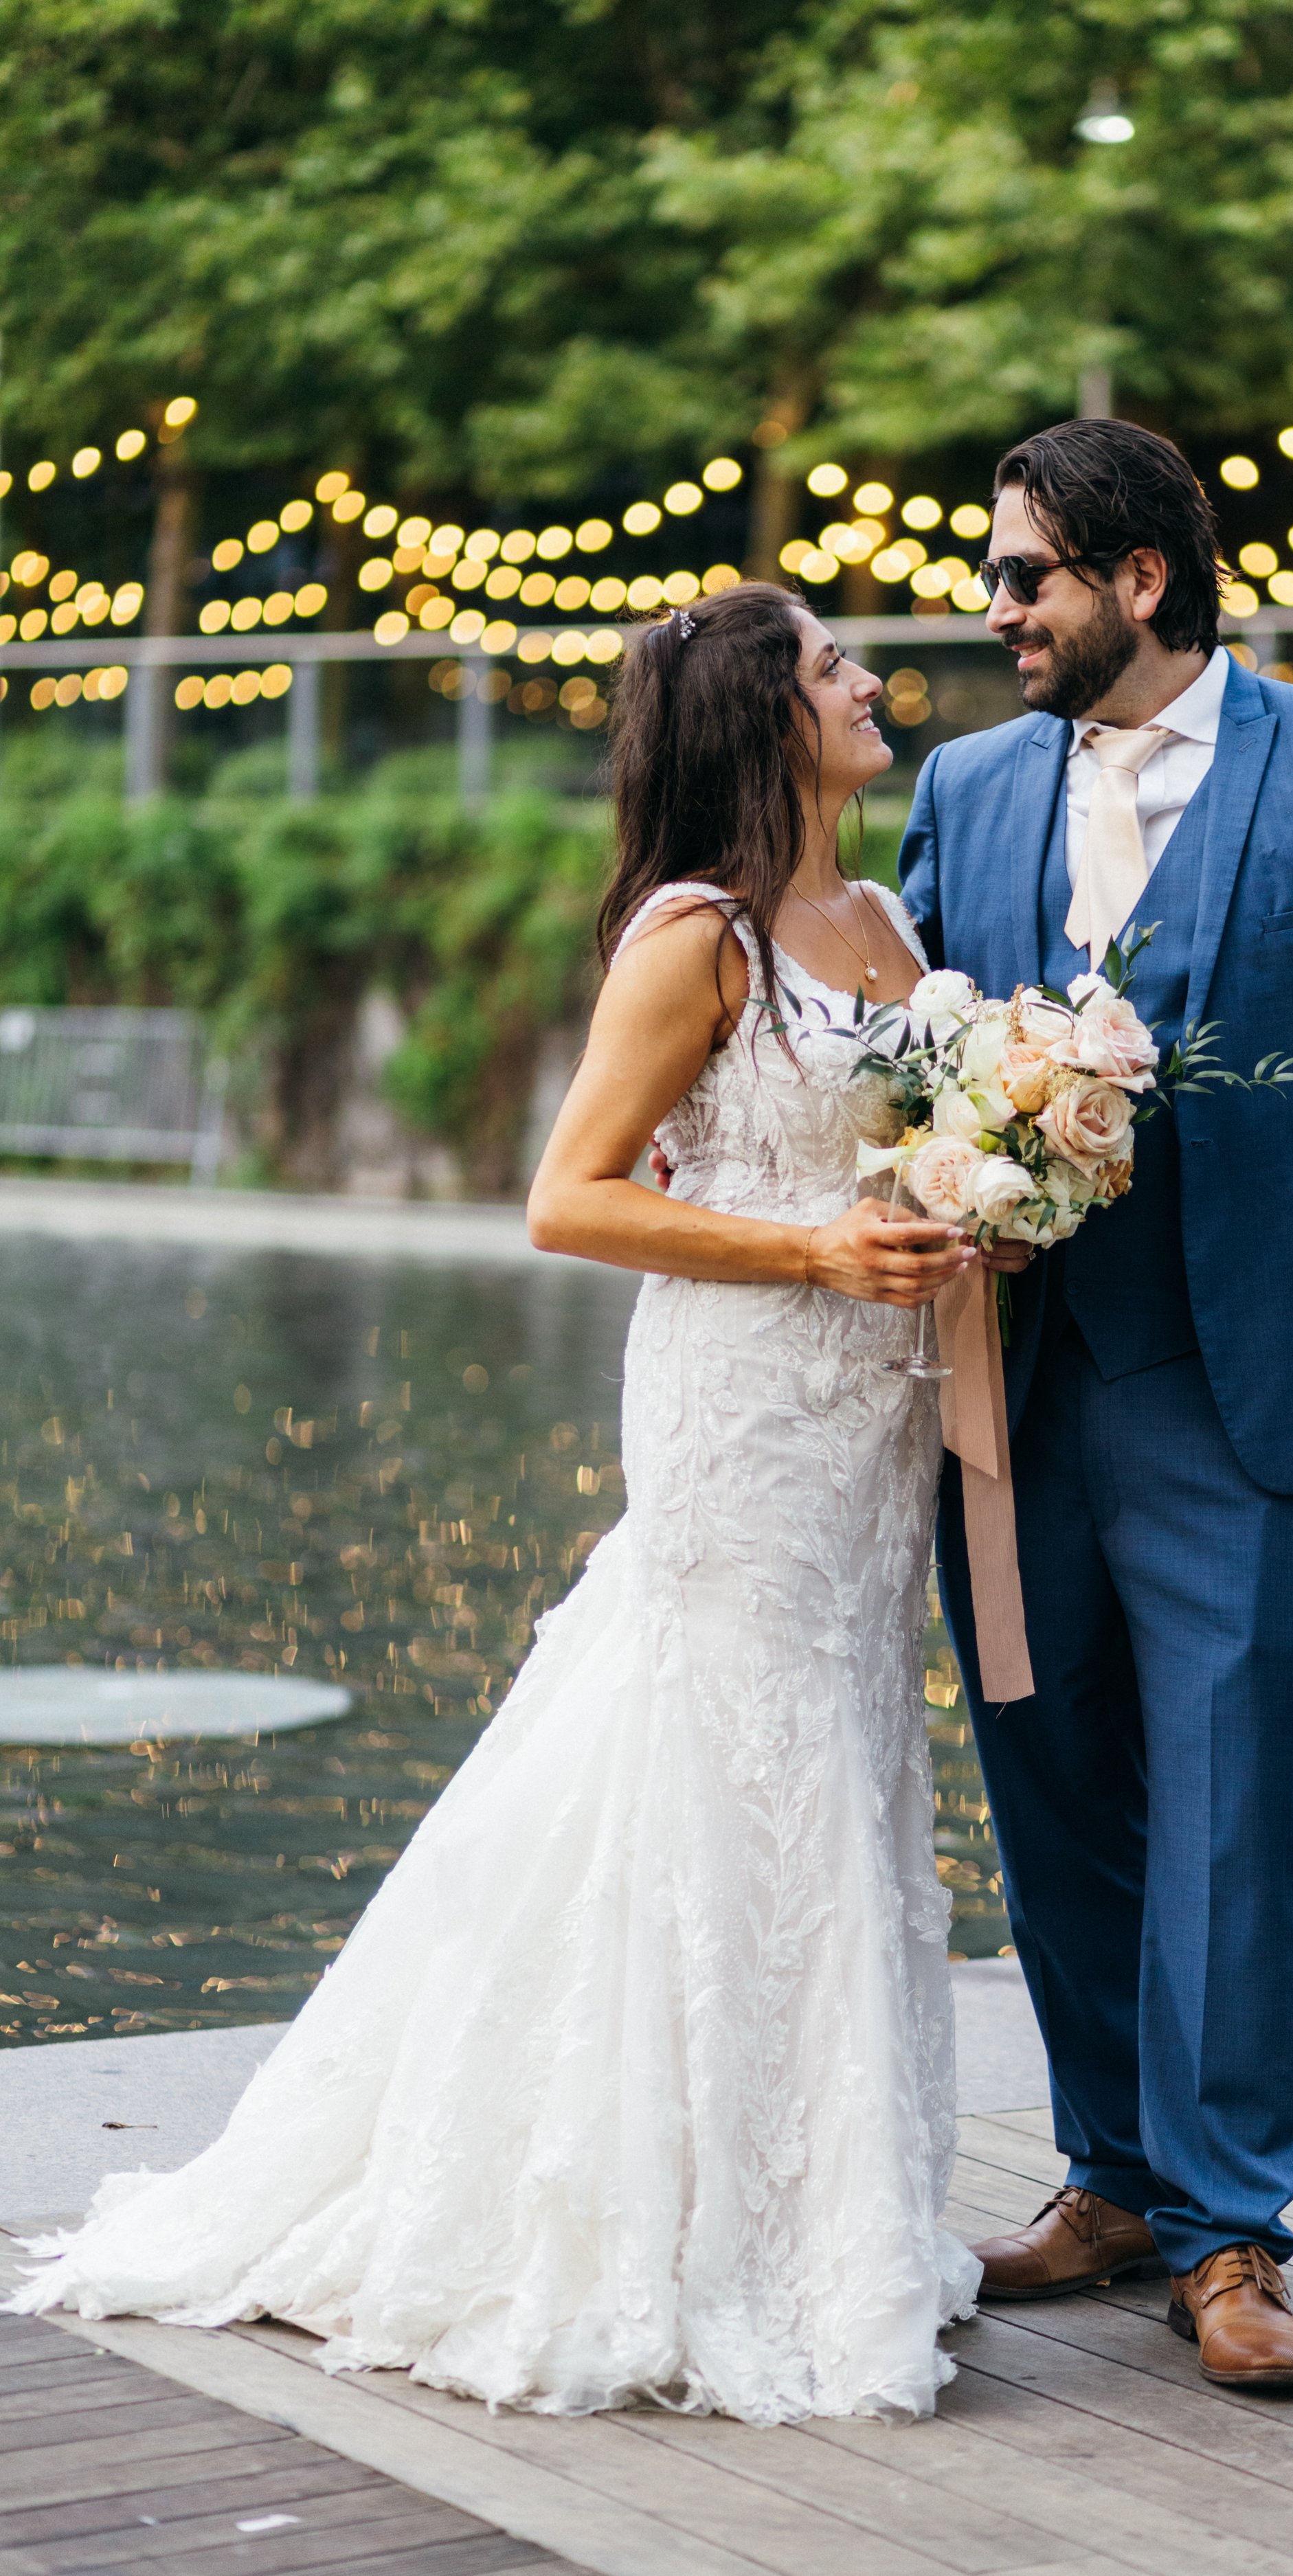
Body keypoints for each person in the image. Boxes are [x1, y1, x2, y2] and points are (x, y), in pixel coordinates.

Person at [12, 584, 985, 2426]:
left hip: (873, 1424)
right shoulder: (691, 936)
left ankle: (812, 2211)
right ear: (763, 718)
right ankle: (657, 2228)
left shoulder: (872, 913)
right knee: (725, 1770)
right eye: (832, 667)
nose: (869, 685)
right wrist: (811, 1250)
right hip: (744, 1406)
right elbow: (568, 1198)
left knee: (835, 1766)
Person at [900, 419, 1293, 2388]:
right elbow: (920, 1054)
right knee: (1053, 1779)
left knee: (1232, 1803)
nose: (993, 610)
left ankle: (1235, 2230)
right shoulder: (967, 783)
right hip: (1012, 1386)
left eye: (1025, 576)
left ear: (1139, 580)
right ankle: (1110, 2177)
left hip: (1249, 1395)